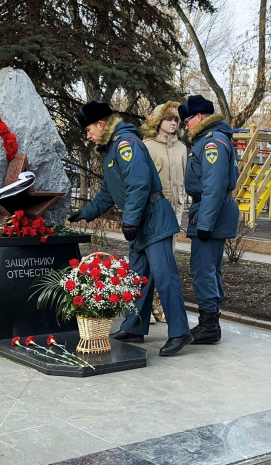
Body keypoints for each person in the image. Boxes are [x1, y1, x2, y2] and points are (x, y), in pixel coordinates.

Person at [67, 100, 192, 356]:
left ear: (101, 125)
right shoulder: (113, 148)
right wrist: (85, 213)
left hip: (153, 219)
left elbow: (138, 185)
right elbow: (109, 192)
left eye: (89, 130)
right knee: (138, 279)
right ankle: (134, 326)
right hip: (141, 221)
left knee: (165, 278)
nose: (88, 136)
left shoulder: (125, 144)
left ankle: (180, 332)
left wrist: (130, 220)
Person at [177, 95, 239, 344]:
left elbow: (213, 186)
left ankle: (209, 325)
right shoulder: (210, 139)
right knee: (210, 268)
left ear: (200, 117)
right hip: (210, 209)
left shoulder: (212, 142)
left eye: (188, 120)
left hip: (211, 211)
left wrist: (204, 223)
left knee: (203, 268)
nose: (186, 125)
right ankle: (210, 321)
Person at [140, 101, 187, 324]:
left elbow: (184, 181)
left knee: (168, 261)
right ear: (158, 121)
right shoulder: (147, 146)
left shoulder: (181, 148)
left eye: (176, 120)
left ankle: (159, 304)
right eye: (169, 119)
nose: (173, 123)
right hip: (152, 213)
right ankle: (145, 305)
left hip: (174, 210)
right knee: (150, 261)